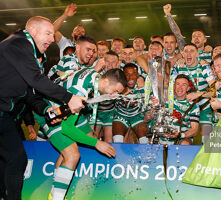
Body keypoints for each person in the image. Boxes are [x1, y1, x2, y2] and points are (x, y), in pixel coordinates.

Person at [0, 16, 85, 200]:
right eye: (48, 33)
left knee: (8, 160)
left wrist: (45, 109)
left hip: (6, 114)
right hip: (3, 113)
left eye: (53, 35)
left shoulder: (30, 51)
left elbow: (29, 92)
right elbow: (36, 81)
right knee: (16, 159)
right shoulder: (19, 44)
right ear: (33, 31)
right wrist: (69, 98)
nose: (52, 39)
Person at [36, 68, 126, 200]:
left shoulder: (95, 76)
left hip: (66, 110)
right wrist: (97, 143)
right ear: (106, 81)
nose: (114, 95)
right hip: (50, 112)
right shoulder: (79, 91)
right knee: (72, 154)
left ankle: (55, 192)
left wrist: (94, 140)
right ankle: (57, 197)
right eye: (115, 91)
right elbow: (68, 129)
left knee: (89, 136)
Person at [172, 43, 215, 143]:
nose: (188, 54)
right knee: (184, 137)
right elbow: (172, 89)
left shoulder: (204, 67)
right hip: (187, 107)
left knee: (207, 140)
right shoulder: (179, 67)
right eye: (186, 51)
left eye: (192, 51)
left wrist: (198, 94)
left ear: (197, 54)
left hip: (204, 107)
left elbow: (214, 91)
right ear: (182, 54)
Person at [146, 74, 200, 145]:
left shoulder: (193, 105)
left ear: (188, 88)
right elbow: (146, 119)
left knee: (185, 143)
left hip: (180, 138)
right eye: (177, 84)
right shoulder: (164, 100)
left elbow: (194, 130)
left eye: (184, 85)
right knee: (151, 139)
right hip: (161, 135)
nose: (180, 88)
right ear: (174, 86)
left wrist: (180, 135)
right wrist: (153, 108)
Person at [112, 63, 149, 144]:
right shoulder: (118, 86)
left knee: (144, 140)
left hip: (137, 116)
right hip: (121, 115)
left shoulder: (143, 87)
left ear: (138, 76)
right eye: (127, 74)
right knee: (117, 139)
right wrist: (120, 94)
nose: (130, 77)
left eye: (133, 74)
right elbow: (108, 101)